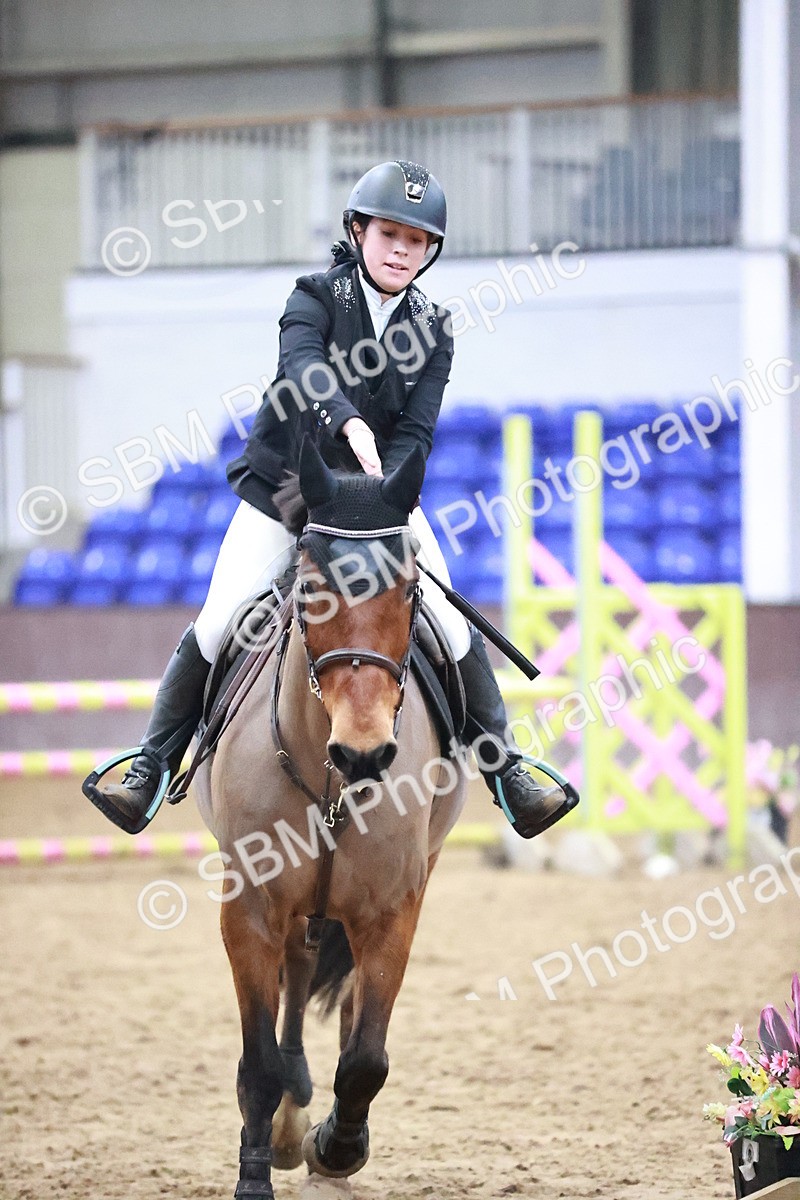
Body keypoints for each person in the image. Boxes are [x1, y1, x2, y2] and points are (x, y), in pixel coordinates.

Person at [87, 160, 574, 840]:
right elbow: (305, 370)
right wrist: (346, 420)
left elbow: (417, 429)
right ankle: (152, 766)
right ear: (359, 230)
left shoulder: (435, 327)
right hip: (287, 491)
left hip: (378, 504)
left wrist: (390, 491)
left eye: (418, 240)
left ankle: (506, 768)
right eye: (390, 234)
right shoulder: (313, 297)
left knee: (452, 624)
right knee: (221, 617)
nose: (403, 250)